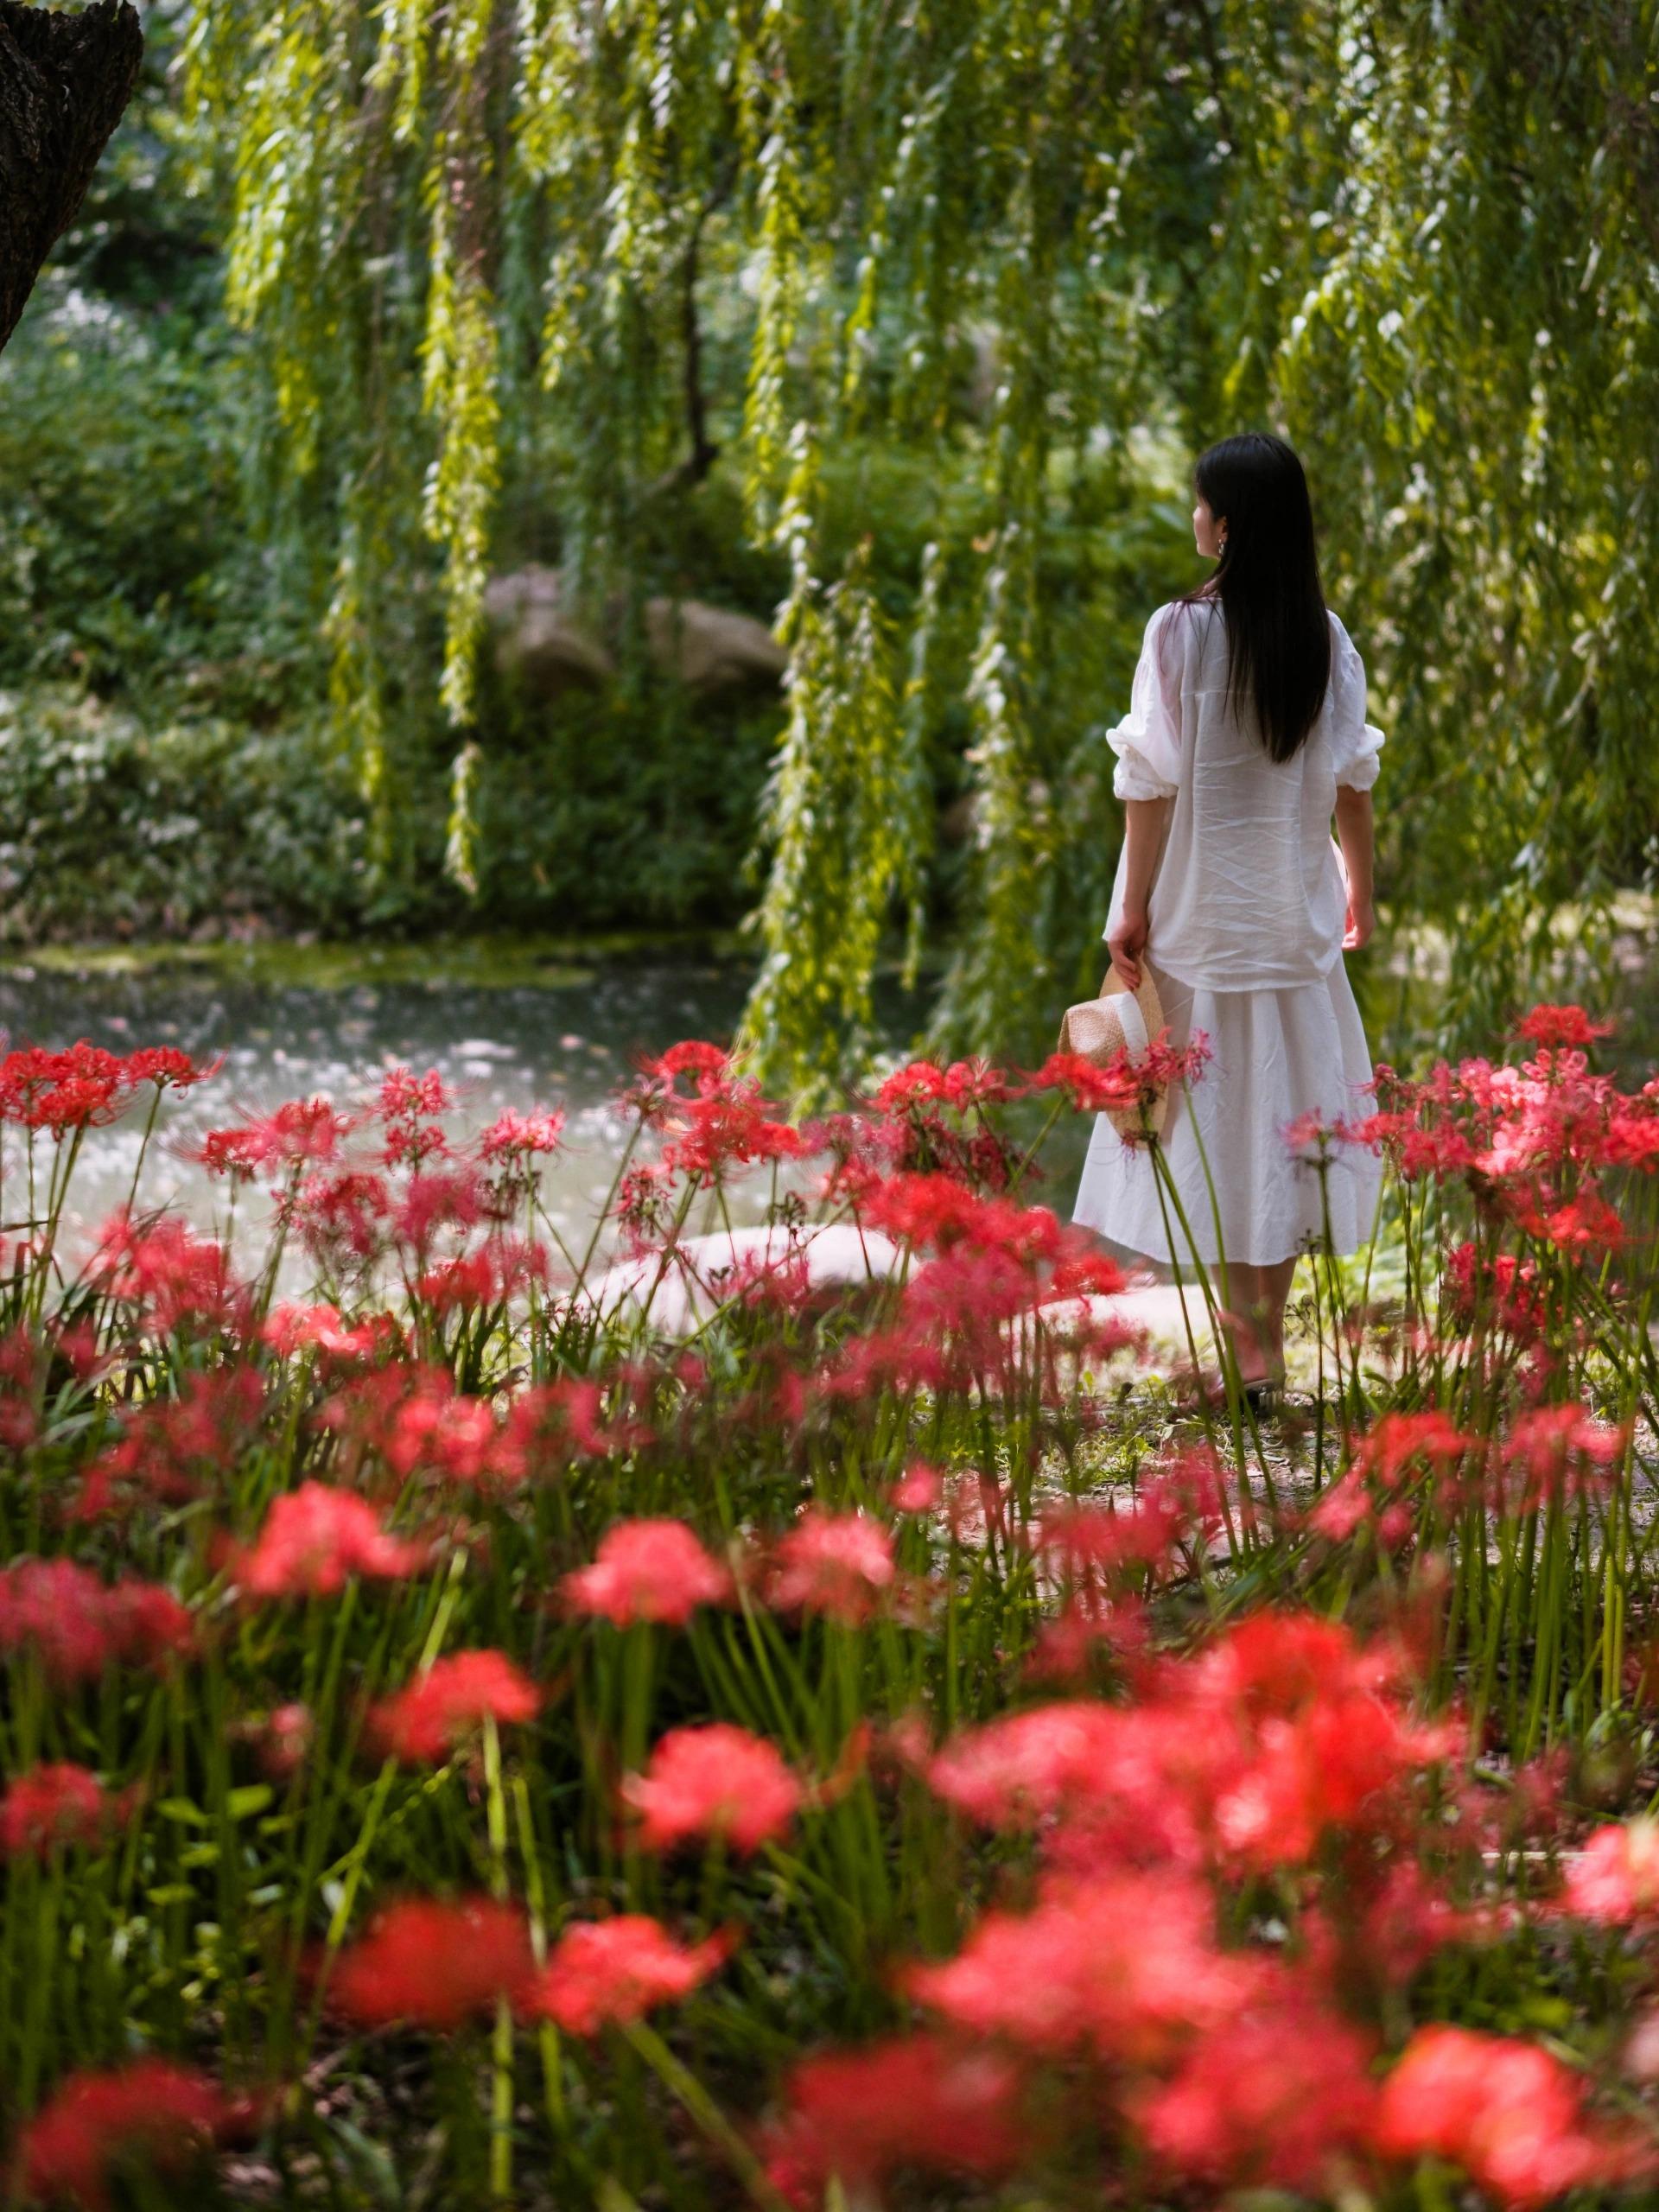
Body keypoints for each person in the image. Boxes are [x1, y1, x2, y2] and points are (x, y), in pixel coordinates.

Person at [1071, 431, 1384, 1398]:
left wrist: (1129, 911)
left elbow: (1147, 783)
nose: (1195, 515)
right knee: (1284, 1119)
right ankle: (1263, 1349)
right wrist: (1361, 892)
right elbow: (1354, 783)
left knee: (1205, 1121)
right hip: (1291, 918)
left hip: (1197, 916)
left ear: (1229, 524)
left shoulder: (1178, 632)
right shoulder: (1322, 636)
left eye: (1202, 502)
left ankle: (1245, 1347)